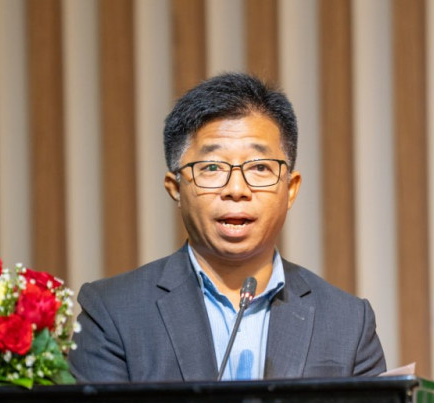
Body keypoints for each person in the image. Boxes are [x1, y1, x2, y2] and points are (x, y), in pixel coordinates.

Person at [69, 72, 386, 383]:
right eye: (212, 167)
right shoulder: (114, 312)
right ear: (175, 188)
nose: (236, 189)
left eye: (260, 167)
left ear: (290, 189)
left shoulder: (348, 323)